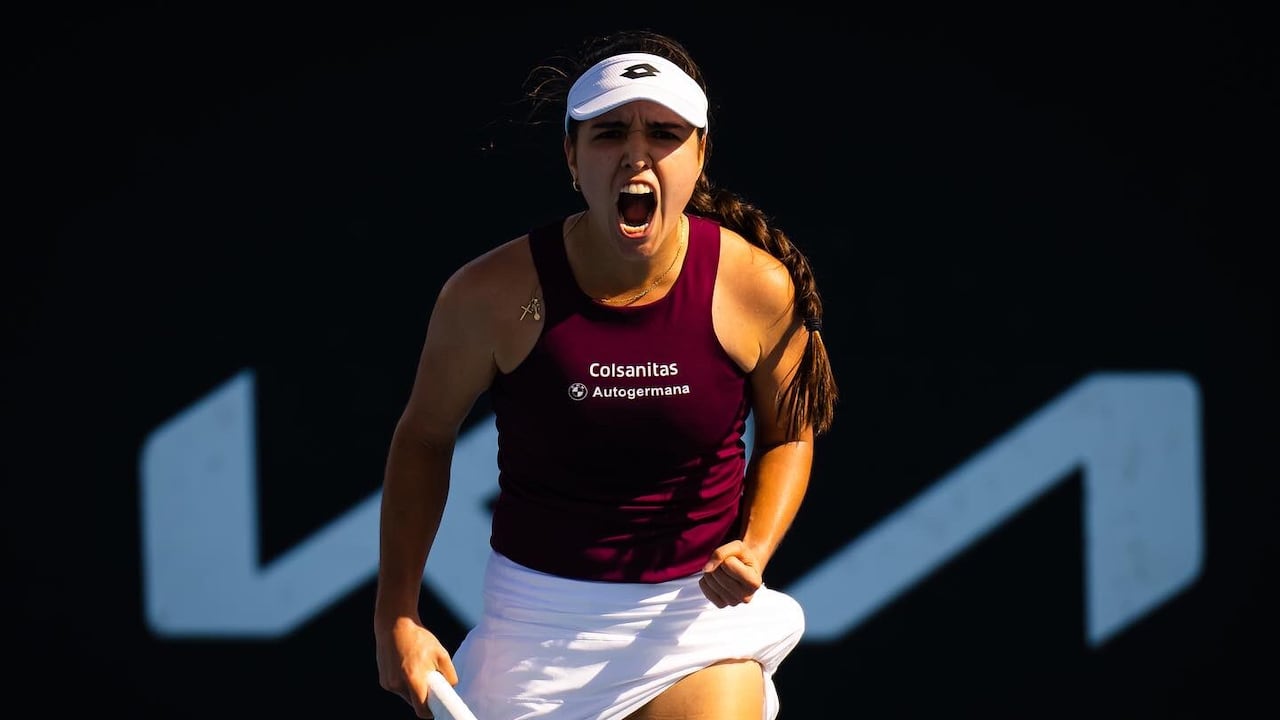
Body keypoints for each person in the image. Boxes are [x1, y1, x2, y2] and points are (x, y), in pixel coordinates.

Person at [374, 28, 838, 720]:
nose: (636, 155)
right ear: (571, 156)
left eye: (664, 133)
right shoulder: (490, 296)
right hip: (537, 625)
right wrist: (397, 615)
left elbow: (789, 435)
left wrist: (756, 545)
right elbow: (423, 438)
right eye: (610, 133)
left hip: (696, 619)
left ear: (700, 154)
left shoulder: (756, 286)